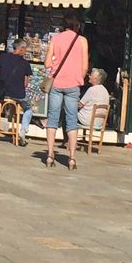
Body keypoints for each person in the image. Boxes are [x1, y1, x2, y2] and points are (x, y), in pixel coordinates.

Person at [44, 15, 89, 170]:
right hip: (73, 84)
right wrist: (78, 78)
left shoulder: (55, 39)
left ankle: (50, 155)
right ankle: (72, 158)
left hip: (56, 83)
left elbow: (47, 63)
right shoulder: (82, 41)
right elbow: (85, 67)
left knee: (52, 119)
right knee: (71, 120)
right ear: (77, 26)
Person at [0, 41, 33, 147]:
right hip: (18, 95)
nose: (26, 51)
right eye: (25, 49)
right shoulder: (25, 63)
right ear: (21, 49)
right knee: (28, 109)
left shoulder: (3, 58)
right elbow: (25, 84)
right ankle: (23, 131)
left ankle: (9, 114)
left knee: (7, 102)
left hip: (3, 94)